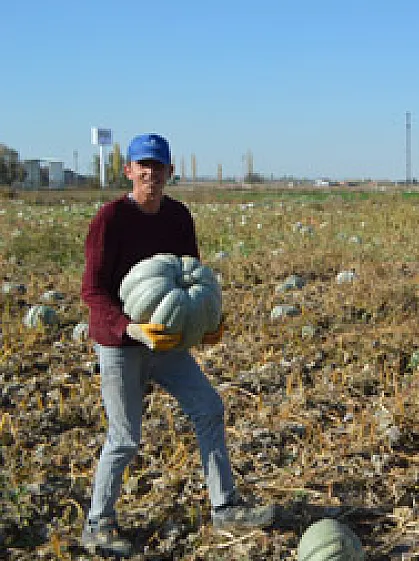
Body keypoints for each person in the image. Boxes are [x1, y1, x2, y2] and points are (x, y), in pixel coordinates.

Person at [79, 133, 275, 556]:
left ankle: (226, 508)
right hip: (120, 342)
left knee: (208, 408)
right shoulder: (110, 219)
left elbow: (192, 279)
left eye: (159, 166)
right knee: (126, 437)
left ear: (170, 172)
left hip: (165, 342)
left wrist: (208, 324)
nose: (151, 173)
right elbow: (92, 292)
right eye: (142, 165)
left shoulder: (178, 217)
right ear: (129, 170)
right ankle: (97, 523)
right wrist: (132, 330)